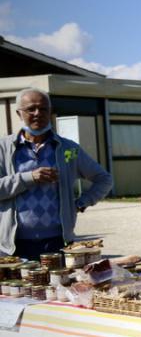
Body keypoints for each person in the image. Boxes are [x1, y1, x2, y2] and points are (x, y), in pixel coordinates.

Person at [0, 90, 113, 259]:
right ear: (19, 113)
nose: (38, 113)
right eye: (31, 109)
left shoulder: (68, 149)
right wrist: (29, 178)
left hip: (57, 241)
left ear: (50, 111)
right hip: (13, 245)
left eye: (43, 109)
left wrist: (81, 203)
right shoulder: (3, 148)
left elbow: (104, 179)